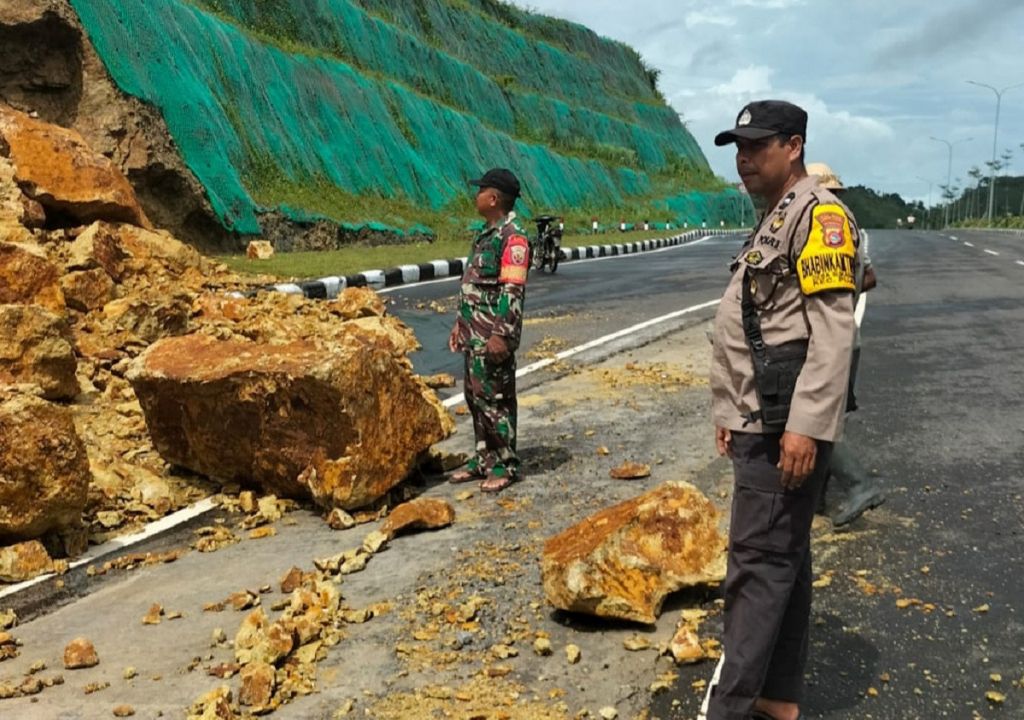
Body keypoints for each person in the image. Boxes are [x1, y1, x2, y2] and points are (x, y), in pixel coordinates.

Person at [704, 100, 861, 720]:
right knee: (784, 564)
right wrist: (729, 409)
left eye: (757, 146)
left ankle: (732, 709)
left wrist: (806, 427)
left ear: (793, 146)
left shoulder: (818, 217)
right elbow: (759, 323)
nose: (744, 159)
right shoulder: (777, 216)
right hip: (758, 417)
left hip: (782, 429)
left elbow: (832, 333)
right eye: (738, 148)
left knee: (757, 570)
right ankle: (778, 698)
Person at [806, 163, 885, 526]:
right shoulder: (850, 229)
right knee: (830, 418)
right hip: (847, 335)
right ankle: (815, 499)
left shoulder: (818, 228)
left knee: (817, 422)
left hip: (827, 339)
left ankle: (859, 484)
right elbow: (868, 276)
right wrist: (848, 294)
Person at [447, 168, 529, 493]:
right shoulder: (487, 235)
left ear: (493, 198)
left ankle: (505, 463)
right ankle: (483, 457)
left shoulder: (514, 239)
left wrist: (501, 334)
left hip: (493, 336)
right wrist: (460, 324)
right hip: (474, 334)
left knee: (495, 400)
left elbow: (512, 291)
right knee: (475, 397)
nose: (476, 195)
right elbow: (474, 286)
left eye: (481, 190)